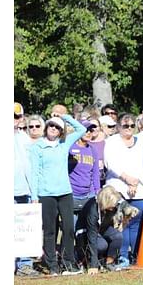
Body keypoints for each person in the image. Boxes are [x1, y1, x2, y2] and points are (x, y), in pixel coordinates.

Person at [30, 113, 87, 275]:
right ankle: (52, 265)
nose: (54, 129)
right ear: (46, 128)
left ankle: (68, 262)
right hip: (46, 193)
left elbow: (81, 129)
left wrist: (64, 117)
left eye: (57, 127)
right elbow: (35, 172)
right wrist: (35, 196)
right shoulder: (37, 147)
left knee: (69, 227)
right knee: (50, 230)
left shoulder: (64, 143)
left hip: (65, 192)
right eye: (51, 126)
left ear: (61, 131)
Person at [104, 113, 143, 268]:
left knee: (136, 222)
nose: (129, 129)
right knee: (122, 223)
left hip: (139, 189)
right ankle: (122, 256)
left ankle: (135, 254)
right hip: (119, 189)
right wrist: (127, 179)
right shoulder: (111, 142)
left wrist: (135, 183)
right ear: (118, 127)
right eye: (125, 126)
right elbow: (111, 163)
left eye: (131, 126)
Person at [76, 186, 138, 274]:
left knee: (118, 236)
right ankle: (87, 261)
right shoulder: (92, 210)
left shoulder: (112, 205)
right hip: (85, 232)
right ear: (105, 202)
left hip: (101, 228)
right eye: (112, 205)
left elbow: (123, 204)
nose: (114, 207)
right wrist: (93, 266)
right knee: (102, 245)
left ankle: (108, 263)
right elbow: (92, 237)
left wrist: (128, 212)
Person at [68, 120, 102, 256]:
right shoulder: (70, 147)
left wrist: (97, 192)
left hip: (88, 195)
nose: (89, 133)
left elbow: (95, 173)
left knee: (85, 229)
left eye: (91, 130)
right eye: (86, 130)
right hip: (71, 194)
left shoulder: (92, 149)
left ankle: (84, 256)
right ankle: (71, 257)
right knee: (71, 229)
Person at [14, 102, 40, 277]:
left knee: (24, 229)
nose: (14, 120)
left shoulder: (25, 139)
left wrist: (34, 192)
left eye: (16, 117)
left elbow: (32, 166)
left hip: (25, 190)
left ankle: (24, 264)